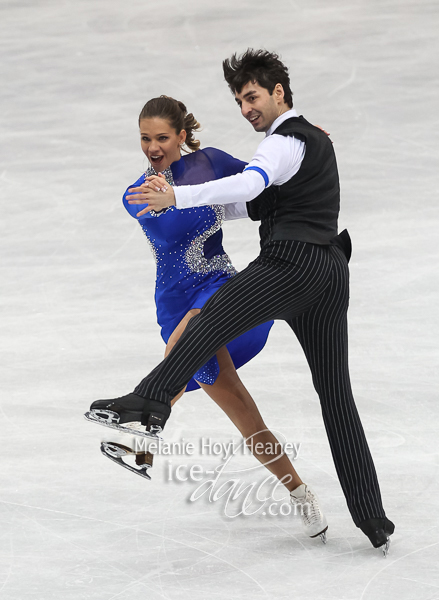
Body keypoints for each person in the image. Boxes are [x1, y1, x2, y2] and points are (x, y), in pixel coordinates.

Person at [87, 51, 394, 553]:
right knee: (335, 397)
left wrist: (180, 197)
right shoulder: (300, 142)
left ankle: (147, 405)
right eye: (239, 100)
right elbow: (249, 201)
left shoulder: (282, 143)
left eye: (252, 97)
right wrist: (184, 198)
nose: (245, 108)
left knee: (207, 323)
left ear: (278, 92)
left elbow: (250, 183)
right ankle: (373, 520)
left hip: (291, 264)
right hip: (329, 271)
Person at [87, 95, 328, 540]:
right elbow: (166, 216)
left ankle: (138, 434)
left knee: (185, 343)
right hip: (175, 300)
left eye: (162, 137)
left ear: (182, 135)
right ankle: (299, 491)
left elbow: (269, 178)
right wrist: (175, 196)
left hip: (222, 289)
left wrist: (308, 147)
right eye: (145, 138)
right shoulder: (135, 195)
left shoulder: (211, 162)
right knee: (244, 414)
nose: (153, 147)